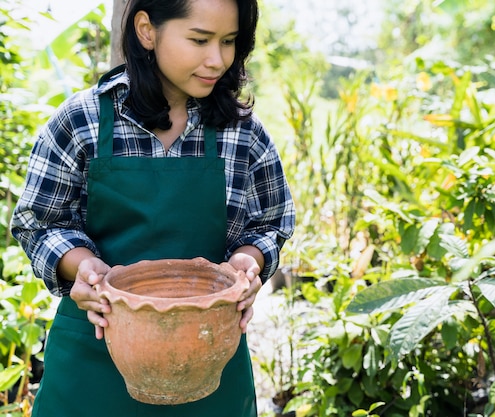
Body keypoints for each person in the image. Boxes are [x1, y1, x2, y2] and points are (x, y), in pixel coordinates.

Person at [10, 0, 295, 415]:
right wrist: (84, 265)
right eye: (200, 40)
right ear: (147, 30)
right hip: (93, 357)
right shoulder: (82, 121)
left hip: (209, 355)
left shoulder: (242, 132)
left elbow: (269, 224)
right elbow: (38, 221)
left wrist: (246, 264)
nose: (217, 59)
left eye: (229, 41)